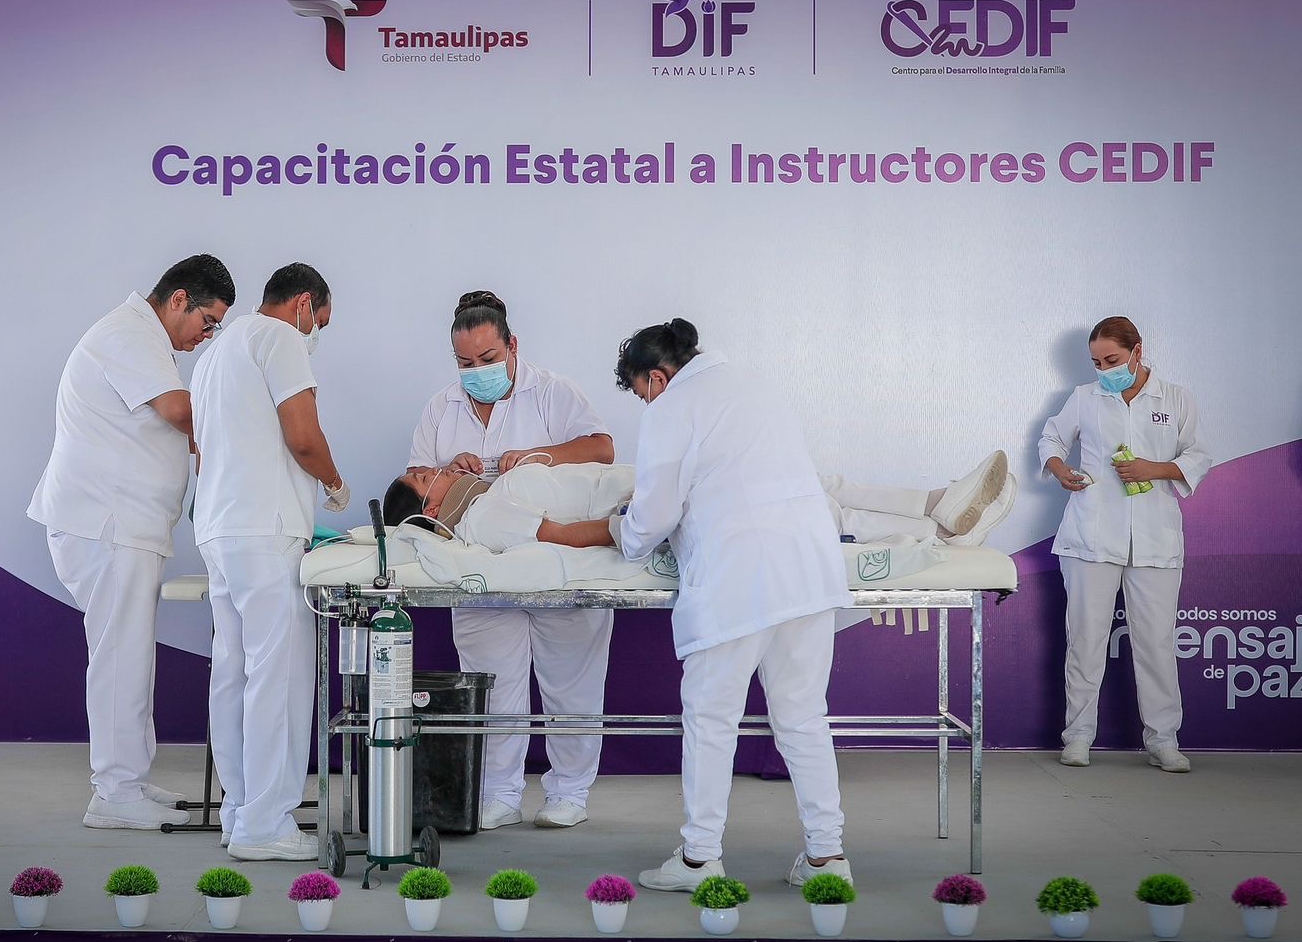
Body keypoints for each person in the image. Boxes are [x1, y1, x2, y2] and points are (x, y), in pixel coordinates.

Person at [540, 319, 856, 894]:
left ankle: (698, 860)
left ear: (657, 378)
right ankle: (826, 857)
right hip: (808, 570)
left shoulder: (672, 407)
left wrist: (616, 527)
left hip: (739, 578)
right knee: (804, 718)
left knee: (712, 722)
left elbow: (653, 519)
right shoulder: (755, 383)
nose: (645, 404)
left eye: (641, 393)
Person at [28, 253, 234, 830]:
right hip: (109, 523)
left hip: (121, 523)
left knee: (130, 653)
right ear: (178, 299)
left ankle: (130, 781)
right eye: (208, 322)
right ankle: (115, 792)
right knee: (122, 656)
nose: (208, 336)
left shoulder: (143, 340)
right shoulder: (128, 334)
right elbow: (179, 411)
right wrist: (251, 417)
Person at [407, 290, 614, 830]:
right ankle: (499, 792)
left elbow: (601, 449)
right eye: (464, 362)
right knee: (492, 685)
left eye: (488, 358)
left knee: (571, 683)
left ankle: (569, 791)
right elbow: (415, 481)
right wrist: (450, 467)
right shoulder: (441, 407)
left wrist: (543, 456)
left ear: (512, 345)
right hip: (478, 568)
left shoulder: (552, 392)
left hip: (556, 562)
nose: (476, 371)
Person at [191, 262, 349, 861]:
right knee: (278, 677)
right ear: (303, 303)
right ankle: (267, 825)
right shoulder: (280, 338)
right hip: (265, 529)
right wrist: (334, 484)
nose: (316, 333)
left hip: (219, 528)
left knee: (231, 674)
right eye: (321, 321)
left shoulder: (214, 351)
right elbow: (302, 436)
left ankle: (238, 812)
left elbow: (203, 447)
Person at [1038, 316, 1212, 773]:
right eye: (1096, 362)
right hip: (1091, 536)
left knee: (1156, 642)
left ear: (1137, 350)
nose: (1104, 370)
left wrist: (1155, 469)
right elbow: (1051, 438)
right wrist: (1060, 469)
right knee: (1085, 638)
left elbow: (1197, 455)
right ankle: (1078, 737)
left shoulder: (1176, 398)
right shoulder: (1085, 397)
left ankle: (1164, 740)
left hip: (1155, 538)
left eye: (1111, 359)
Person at [383, 454, 1014, 554]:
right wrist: (636, 522)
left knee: (800, 476)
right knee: (798, 500)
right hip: (652, 501)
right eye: (423, 476)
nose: (433, 467)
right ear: (429, 510)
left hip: (654, 485)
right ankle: (939, 531)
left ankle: (939, 503)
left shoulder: (492, 489)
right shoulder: (484, 517)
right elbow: (563, 536)